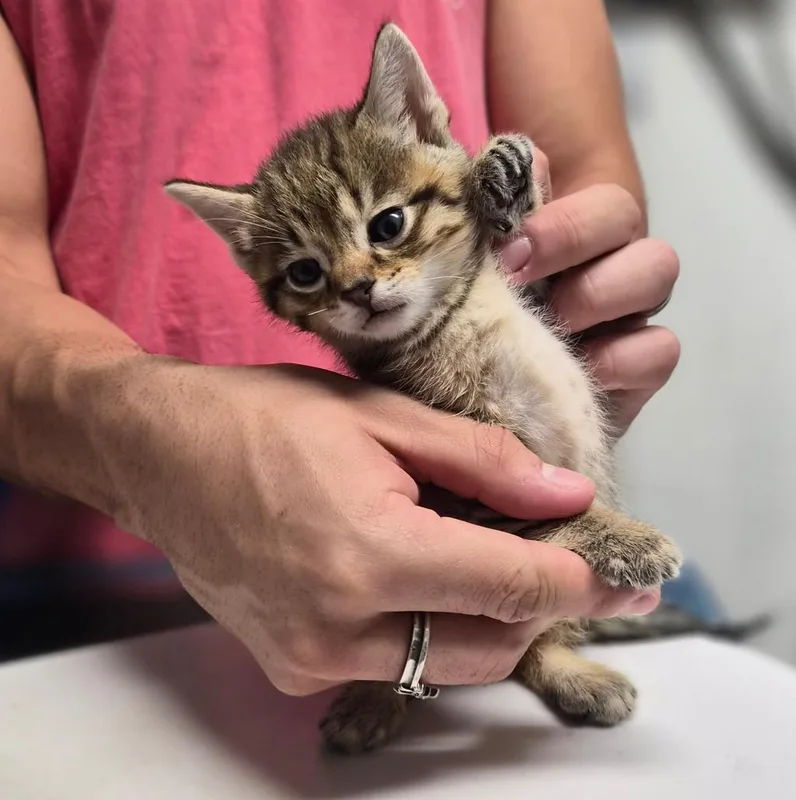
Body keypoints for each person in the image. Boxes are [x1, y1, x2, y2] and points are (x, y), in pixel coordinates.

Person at [0, 0, 679, 694]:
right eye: (308, 272)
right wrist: (149, 454)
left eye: (384, 227)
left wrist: (574, 270)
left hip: (517, 549)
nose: (357, 284)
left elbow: (583, 168)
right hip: (81, 573)